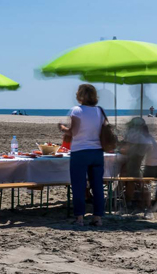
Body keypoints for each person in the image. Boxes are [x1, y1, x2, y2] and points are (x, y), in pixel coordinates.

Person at [59, 84, 106, 226]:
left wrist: (62, 128)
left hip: (80, 151)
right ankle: (98, 217)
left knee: (79, 185)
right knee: (97, 186)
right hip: (97, 151)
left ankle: (79, 217)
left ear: (80, 95)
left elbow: (73, 132)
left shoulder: (77, 110)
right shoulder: (100, 111)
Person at [118, 117, 157, 218]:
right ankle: (130, 201)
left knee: (130, 176)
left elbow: (126, 150)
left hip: (147, 167)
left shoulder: (136, 135)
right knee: (128, 172)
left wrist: (118, 146)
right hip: (154, 166)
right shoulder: (146, 136)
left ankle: (129, 202)